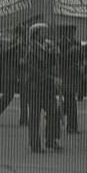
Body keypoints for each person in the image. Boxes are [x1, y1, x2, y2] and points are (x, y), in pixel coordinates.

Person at [26, 24, 62, 153]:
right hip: (36, 88)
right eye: (42, 32)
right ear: (36, 34)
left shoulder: (45, 48)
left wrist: (54, 53)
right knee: (35, 117)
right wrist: (52, 79)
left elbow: (50, 65)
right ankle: (35, 144)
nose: (45, 34)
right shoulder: (31, 50)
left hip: (47, 88)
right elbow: (34, 71)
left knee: (54, 113)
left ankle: (51, 140)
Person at [0, 26, 24, 125]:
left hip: (18, 73)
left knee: (19, 96)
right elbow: (4, 53)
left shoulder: (20, 44)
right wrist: (16, 45)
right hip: (8, 72)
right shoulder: (7, 40)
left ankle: (24, 119)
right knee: (9, 95)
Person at [58, 27, 83, 134]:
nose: (73, 33)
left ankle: (56, 113)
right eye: (71, 31)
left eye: (74, 31)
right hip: (65, 74)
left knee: (71, 101)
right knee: (71, 101)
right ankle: (72, 127)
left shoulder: (76, 43)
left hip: (74, 74)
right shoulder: (61, 43)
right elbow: (60, 60)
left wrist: (82, 64)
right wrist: (70, 51)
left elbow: (82, 56)